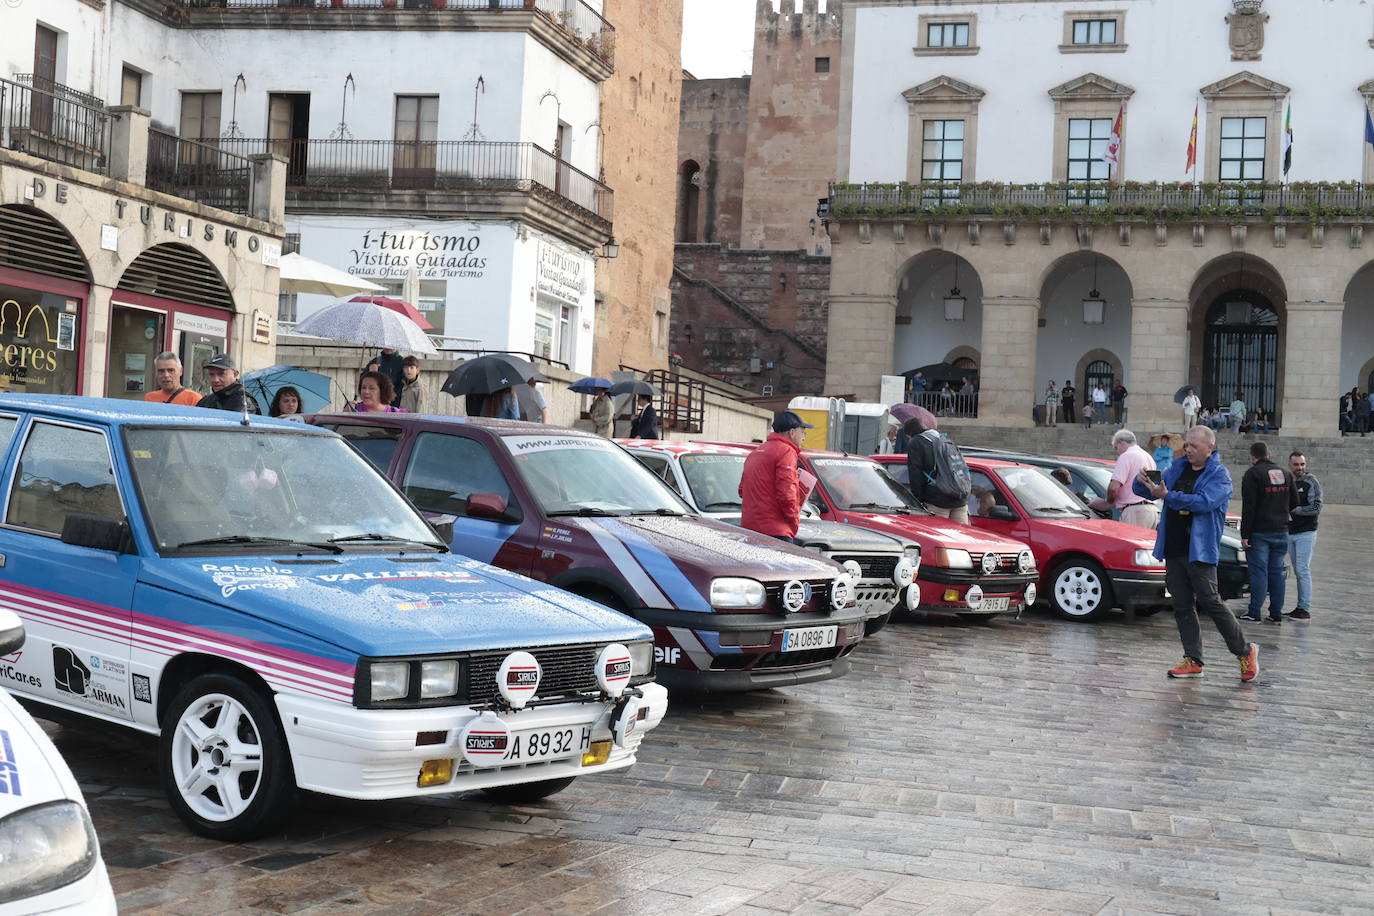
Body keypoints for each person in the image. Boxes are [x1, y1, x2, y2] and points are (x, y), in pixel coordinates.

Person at [1134, 425, 1258, 682]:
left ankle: (1245, 651)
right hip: (1174, 547)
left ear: (1209, 448)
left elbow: (1203, 502)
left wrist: (1167, 495)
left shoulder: (1220, 476)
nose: (1188, 450)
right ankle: (1193, 659)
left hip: (1199, 550)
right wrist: (1142, 480)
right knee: (1181, 604)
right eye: (1187, 445)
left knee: (1211, 601)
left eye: (1194, 446)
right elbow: (1148, 491)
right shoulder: (1177, 468)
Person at [1239, 440, 1296, 624]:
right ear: (1269, 454)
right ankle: (1275, 614)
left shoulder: (1253, 474)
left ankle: (1254, 612)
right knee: (1276, 573)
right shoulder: (1286, 474)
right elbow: (1295, 502)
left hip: (1260, 532)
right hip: (1281, 530)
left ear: (1252, 457)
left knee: (1259, 573)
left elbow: (1249, 507)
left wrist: (1245, 534)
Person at [738, 410, 813, 543]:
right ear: (792, 432)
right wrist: (794, 521)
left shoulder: (756, 452)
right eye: (803, 432)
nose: (804, 437)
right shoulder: (786, 451)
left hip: (750, 528)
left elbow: (742, 490)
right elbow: (787, 494)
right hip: (776, 531)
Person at [903, 417, 970, 524]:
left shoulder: (917, 442)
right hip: (960, 499)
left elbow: (915, 474)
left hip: (937, 501)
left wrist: (918, 500)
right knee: (960, 537)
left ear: (910, 433)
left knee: (938, 537)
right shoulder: (946, 440)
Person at [1093, 430, 1158, 529]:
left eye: (1116, 448)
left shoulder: (1126, 456)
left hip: (1135, 511)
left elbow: (1113, 487)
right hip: (1152, 510)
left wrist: (1108, 502)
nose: (1117, 452)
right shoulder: (1148, 457)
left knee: (1130, 543)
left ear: (1121, 442)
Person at [1286, 450, 1321, 621]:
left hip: (1306, 533)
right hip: (1289, 532)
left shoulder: (1311, 482)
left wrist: (1296, 510)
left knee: (1302, 570)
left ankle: (1304, 609)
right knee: (1297, 570)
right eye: (1296, 464)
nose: (1299, 467)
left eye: (1302, 464)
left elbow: (1316, 507)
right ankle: (1299, 607)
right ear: (1289, 465)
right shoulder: (1287, 480)